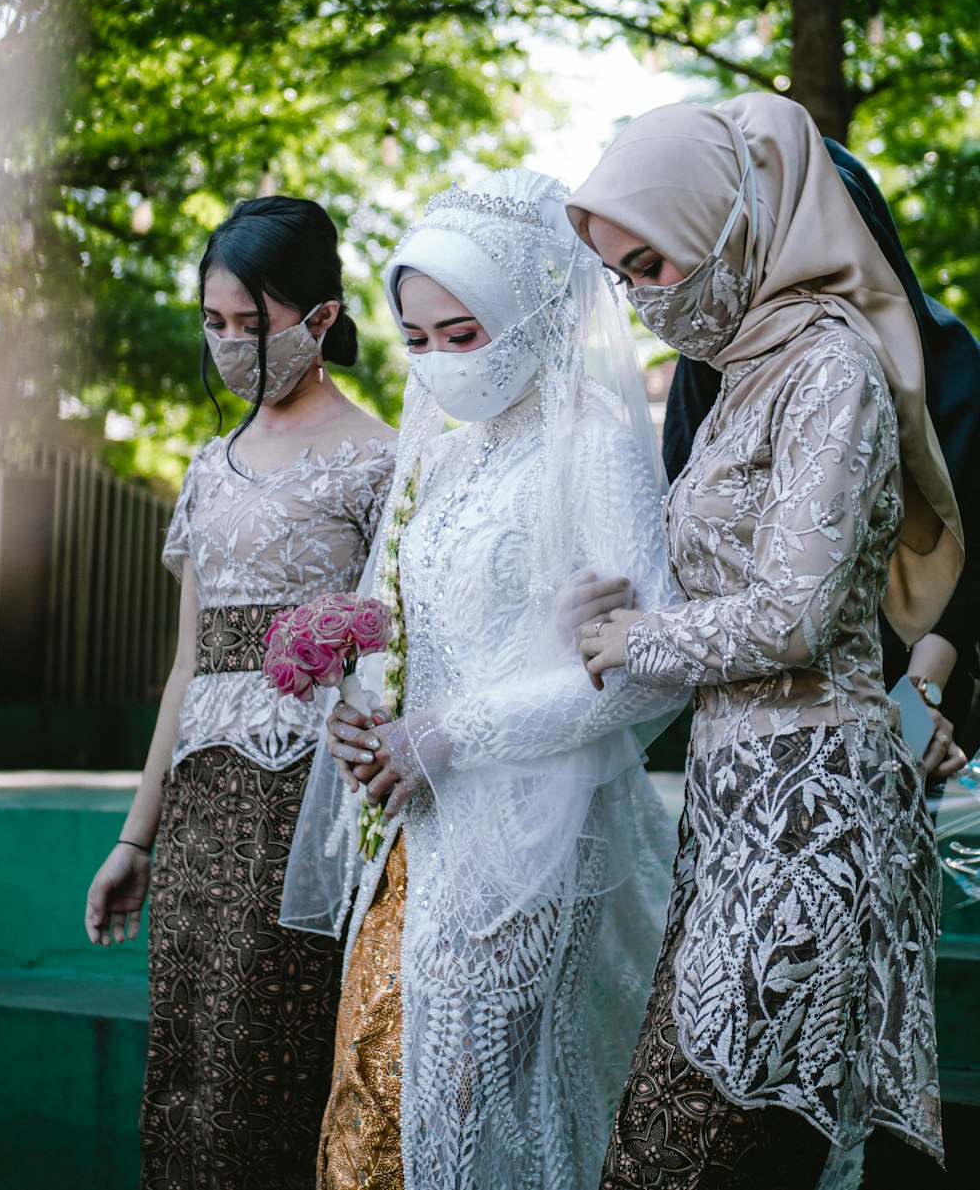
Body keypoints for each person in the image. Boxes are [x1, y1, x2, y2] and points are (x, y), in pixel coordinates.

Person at [569, 93, 964, 1187]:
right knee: (686, 1147)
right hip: (731, 799)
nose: (642, 296)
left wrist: (634, 635)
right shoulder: (739, 369)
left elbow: (793, 612)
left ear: (727, 222)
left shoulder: (830, 365)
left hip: (815, 805)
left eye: (651, 262)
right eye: (621, 273)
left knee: (693, 1154)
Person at [282, 169, 687, 1190]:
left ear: (530, 307)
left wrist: (452, 731)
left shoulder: (593, 440)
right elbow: (414, 632)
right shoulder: (448, 465)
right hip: (422, 830)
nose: (437, 365)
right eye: (415, 341)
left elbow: (646, 671)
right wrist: (369, 712)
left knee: (487, 1105)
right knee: (384, 1097)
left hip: (540, 832)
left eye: (460, 334)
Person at [84, 195, 396, 1190]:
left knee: (275, 1064)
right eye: (212, 323)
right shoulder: (205, 468)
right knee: (188, 1064)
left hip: (309, 804)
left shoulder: (383, 458)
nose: (228, 343)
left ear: (318, 318)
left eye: (248, 324)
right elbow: (188, 664)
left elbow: (401, 641)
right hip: (201, 819)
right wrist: (138, 836)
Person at [663, 136, 980, 767]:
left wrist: (926, 687)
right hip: (756, 693)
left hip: (922, 670)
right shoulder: (711, 361)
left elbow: (969, 527)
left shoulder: (949, 359)